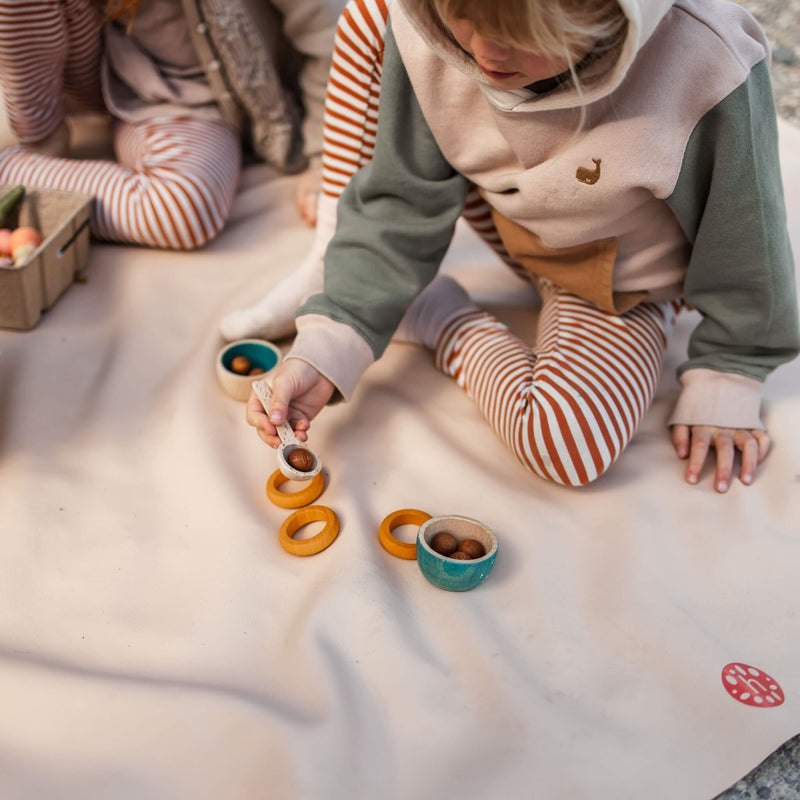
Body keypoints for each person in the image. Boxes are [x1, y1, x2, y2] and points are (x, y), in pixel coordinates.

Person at [245, 0, 799, 491]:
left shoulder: (705, 60)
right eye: (461, 11)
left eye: (523, 37)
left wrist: (731, 366)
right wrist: (332, 340)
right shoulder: (431, 26)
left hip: (616, 277)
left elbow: (744, 235)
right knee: (372, 15)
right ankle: (340, 273)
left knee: (565, 442)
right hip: (505, 210)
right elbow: (402, 199)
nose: (484, 52)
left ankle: (439, 315)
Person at [0, 0, 346, 249]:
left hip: (232, 94)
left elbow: (331, 33)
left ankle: (17, 175)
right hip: (129, 75)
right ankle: (40, 144)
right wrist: (39, 130)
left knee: (187, 207)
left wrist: (324, 152)